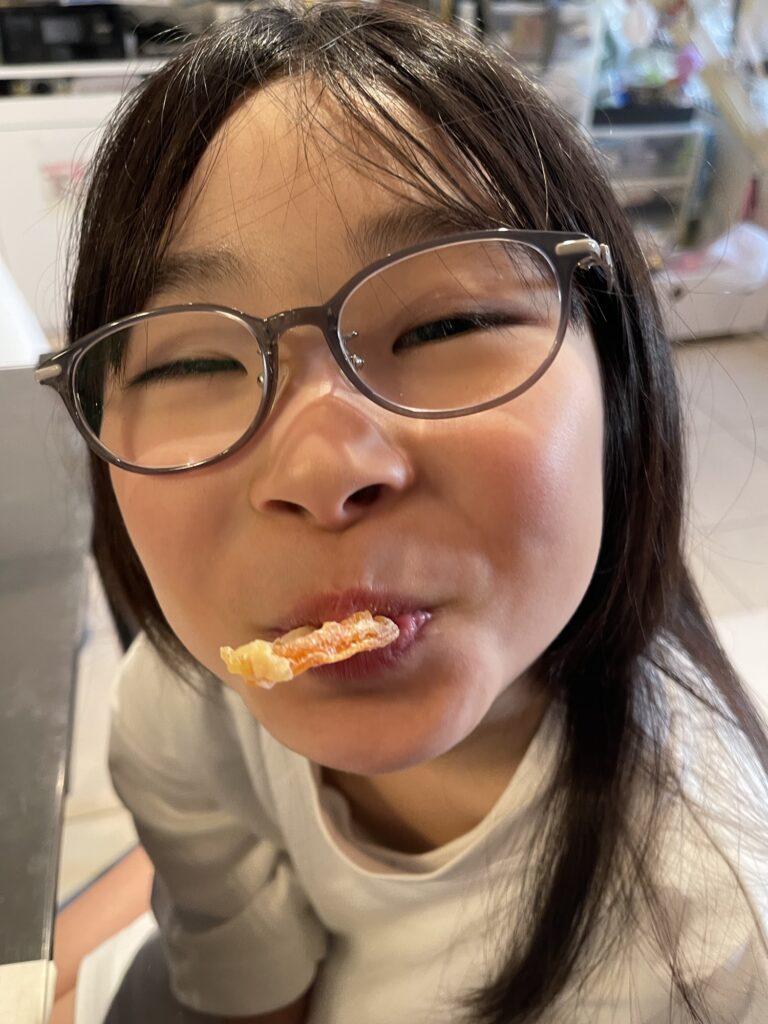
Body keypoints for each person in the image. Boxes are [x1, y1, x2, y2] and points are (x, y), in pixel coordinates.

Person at [38, 2, 768, 1022]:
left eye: (446, 324)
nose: (322, 468)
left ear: (621, 378)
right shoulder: (183, 703)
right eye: (194, 362)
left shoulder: (712, 943)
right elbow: (243, 978)